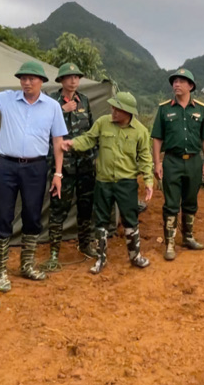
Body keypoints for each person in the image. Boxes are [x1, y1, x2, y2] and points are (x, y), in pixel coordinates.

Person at [0, 61, 67, 291]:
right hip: (5, 166)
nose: (27, 82)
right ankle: (0, 271)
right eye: (23, 78)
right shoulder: (7, 98)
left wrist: (58, 173)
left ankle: (26, 265)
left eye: (32, 78)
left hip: (36, 168)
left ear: (41, 81)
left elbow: (58, 142)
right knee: (1, 214)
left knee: (33, 214)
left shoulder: (52, 106)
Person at [63, 92, 153, 274]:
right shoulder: (103, 122)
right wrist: (72, 143)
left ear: (128, 112)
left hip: (126, 182)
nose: (113, 111)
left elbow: (145, 157)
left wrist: (149, 181)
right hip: (103, 181)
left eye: (117, 109)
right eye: (112, 107)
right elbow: (89, 138)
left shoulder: (140, 131)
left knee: (130, 219)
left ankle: (135, 256)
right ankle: (100, 259)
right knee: (101, 220)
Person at [151, 68, 204, 261]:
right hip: (172, 161)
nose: (176, 84)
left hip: (194, 161)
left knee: (190, 201)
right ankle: (170, 243)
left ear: (190, 86)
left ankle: (188, 237)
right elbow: (157, 138)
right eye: (174, 81)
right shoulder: (164, 109)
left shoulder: (200, 109)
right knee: (171, 203)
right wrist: (157, 163)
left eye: (181, 81)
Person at [42, 63, 97, 271]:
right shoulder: (51, 102)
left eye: (76, 77)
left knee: (85, 207)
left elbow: (90, 132)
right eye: (69, 77)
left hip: (84, 164)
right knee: (58, 210)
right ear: (61, 80)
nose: (73, 80)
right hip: (61, 166)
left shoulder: (84, 101)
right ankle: (54, 254)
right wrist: (63, 111)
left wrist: (94, 157)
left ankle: (85, 245)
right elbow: (42, 129)